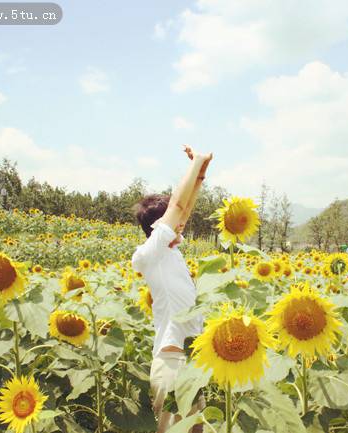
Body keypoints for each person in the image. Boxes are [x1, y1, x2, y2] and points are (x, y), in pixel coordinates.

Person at [132, 145, 212, 433]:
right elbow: (178, 207)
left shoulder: (172, 251)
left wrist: (200, 174)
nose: (181, 222)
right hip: (172, 362)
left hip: (190, 363)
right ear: (158, 225)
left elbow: (183, 208)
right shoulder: (149, 253)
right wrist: (197, 164)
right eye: (172, 220)